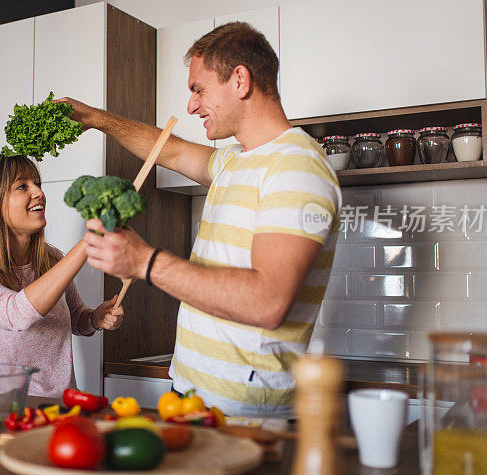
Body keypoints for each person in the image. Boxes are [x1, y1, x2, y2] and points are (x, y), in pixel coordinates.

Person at [57, 22, 342, 417]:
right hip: (193, 389)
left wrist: (145, 262)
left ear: (240, 80)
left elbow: (268, 302)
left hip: (245, 407)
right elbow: (169, 152)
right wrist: (97, 119)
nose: (191, 105)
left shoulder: (297, 167)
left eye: (198, 89)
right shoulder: (235, 160)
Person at [0, 153, 123, 397]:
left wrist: (95, 318)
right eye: (22, 186)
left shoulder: (52, 260)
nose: (38, 192)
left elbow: (75, 317)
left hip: (61, 405)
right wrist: (88, 242)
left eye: (37, 184)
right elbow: (17, 315)